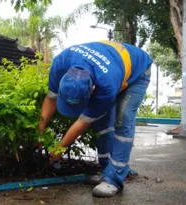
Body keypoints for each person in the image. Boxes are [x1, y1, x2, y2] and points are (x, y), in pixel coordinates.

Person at [38, 40, 153, 197]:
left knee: (122, 119)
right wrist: (40, 132)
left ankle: (114, 179)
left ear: (92, 89)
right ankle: (106, 171)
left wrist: (59, 149)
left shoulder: (106, 86)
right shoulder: (60, 63)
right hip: (112, 63)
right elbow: (50, 99)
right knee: (101, 123)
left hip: (137, 69)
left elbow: (83, 122)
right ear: (61, 81)